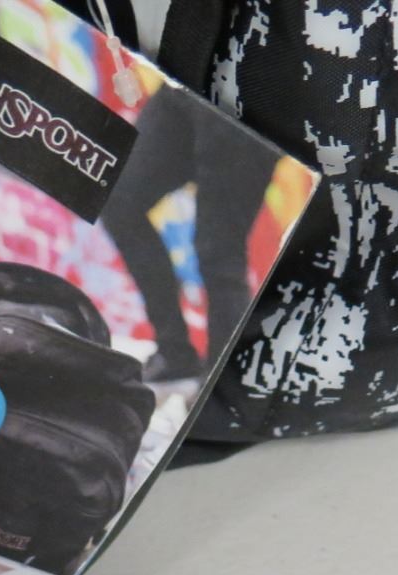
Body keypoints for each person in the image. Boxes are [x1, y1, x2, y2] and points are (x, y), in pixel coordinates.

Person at [102, 86, 281, 381]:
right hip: (188, 90)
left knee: (220, 252)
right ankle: (174, 352)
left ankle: (222, 381)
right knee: (119, 199)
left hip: (250, 106)